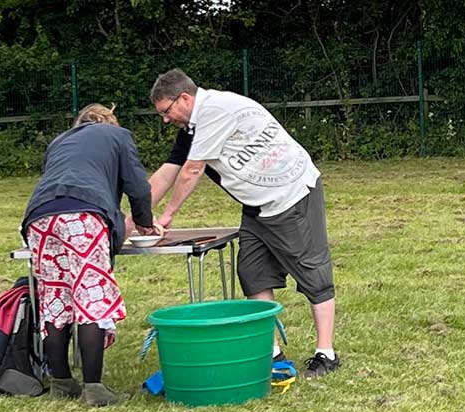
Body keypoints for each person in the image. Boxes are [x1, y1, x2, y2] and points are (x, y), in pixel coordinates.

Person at [144, 68, 341, 378]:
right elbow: (168, 171)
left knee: (312, 272)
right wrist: (136, 219)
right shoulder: (192, 128)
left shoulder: (215, 111)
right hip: (256, 205)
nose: (165, 120)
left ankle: (326, 353)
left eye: (166, 112)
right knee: (253, 272)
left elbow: (192, 171)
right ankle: (271, 351)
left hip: (290, 194)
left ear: (184, 98)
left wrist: (166, 217)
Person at [21, 104, 160, 406]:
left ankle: (61, 382)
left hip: (39, 217)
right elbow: (138, 186)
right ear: (110, 122)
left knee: (55, 300)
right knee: (91, 298)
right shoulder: (118, 136)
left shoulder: (60, 140)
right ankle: (94, 389)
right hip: (83, 215)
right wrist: (145, 222)